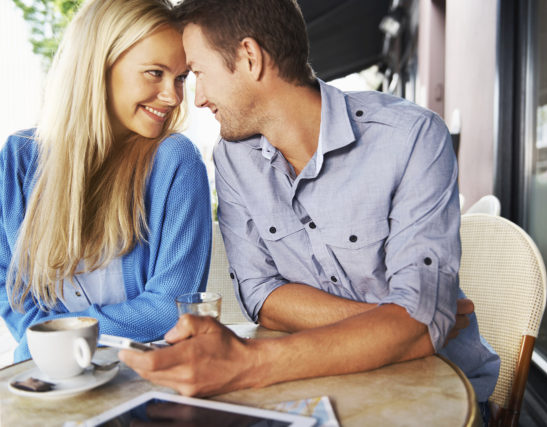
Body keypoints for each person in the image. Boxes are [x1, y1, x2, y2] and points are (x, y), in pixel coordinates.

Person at [120, 0, 499, 416]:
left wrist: (246, 363)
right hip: (318, 386)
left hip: (435, 386)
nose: (198, 98)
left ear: (250, 57)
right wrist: (399, 324)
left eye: (198, 74)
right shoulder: (232, 157)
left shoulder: (412, 137)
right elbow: (261, 295)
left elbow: (418, 329)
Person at [0, 0, 212, 363]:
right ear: (98, 67)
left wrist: (53, 338)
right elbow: (8, 285)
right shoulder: (19, 158)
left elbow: (170, 306)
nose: (174, 97)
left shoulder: (176, 161)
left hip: (144, 382)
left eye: (180, 78)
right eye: (154, 73)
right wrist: (48, 350)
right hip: (54, 378)